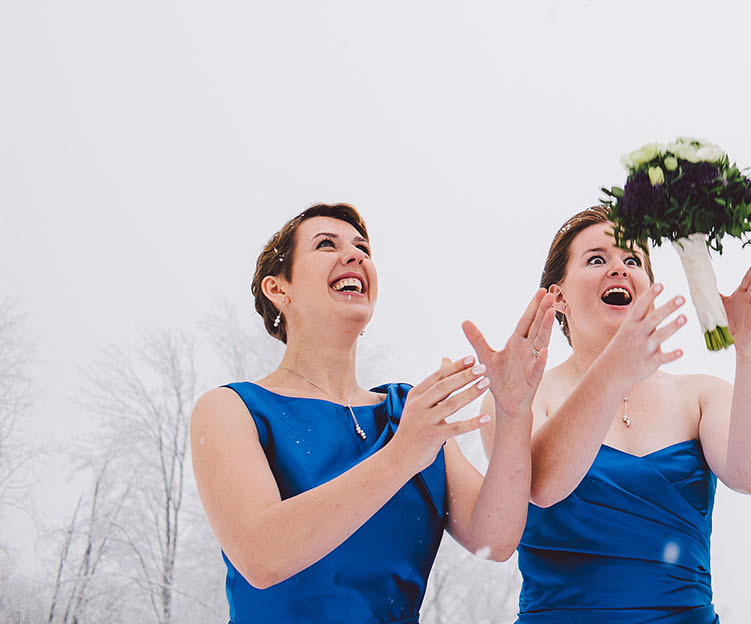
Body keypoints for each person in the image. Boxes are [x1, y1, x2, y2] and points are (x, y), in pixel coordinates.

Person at [190, 203, 553, 621]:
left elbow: (495, 537)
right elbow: (261, 556)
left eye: (362, 247)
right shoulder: (231, 409)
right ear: (278, 289)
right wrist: (401, 456)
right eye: (326, 245)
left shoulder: (409, 412)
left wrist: (512, 412)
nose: (356, 255)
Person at [487, 205, 751, 623]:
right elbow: (544, 486)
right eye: (597, 259)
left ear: (649, 287)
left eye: (632, 260)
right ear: (558, 297)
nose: (618, 269)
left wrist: (750, 348)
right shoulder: (519, 396)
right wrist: (611, 375)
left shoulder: (698, 395)